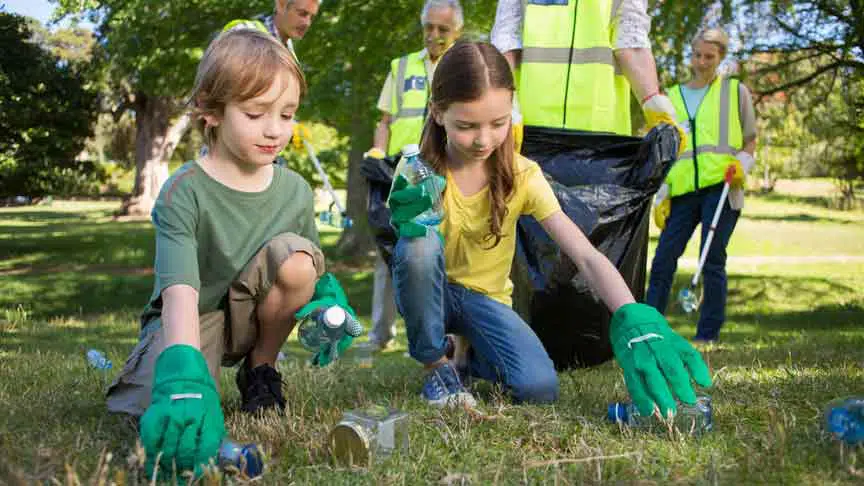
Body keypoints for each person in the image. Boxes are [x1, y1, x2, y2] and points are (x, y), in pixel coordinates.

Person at [388, 41, 711, 412]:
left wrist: (631, 312)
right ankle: (436, 365)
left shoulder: (522, 175)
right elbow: (412, 260)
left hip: (485, 300)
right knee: (418, 245)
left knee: (538, 388)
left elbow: (586, 256)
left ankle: (467, 354)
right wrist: (409, 223)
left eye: (498, 123)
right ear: (438, 113)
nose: (483, 140)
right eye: (467, 126)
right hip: (433, 292)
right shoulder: (418, 172)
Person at [104, 29, 355, 478]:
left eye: (288, 113)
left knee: (296, 259)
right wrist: (184, 376)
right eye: (256, 113)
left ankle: (261, 371)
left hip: (253, 315)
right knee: (156, 407)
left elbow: (310, 265)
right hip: (193, 318)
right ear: (211, 109)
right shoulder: (185, 190)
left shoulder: (296, 191)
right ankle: (193, 375)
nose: (275, 129)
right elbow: (178, 292)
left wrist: (330, 304)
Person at [363, 0, 464, 351]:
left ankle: (440, 334)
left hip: (443, 168)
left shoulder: (463, 68)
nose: (434, 36)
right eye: (429, 28)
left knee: (439, 249)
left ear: (457, 32)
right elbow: (386, 119)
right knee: (389, 249)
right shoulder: (402, 65)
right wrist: (377, 152)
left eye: (443, 29)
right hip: (399, 170)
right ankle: (380, 335)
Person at [647, 28, 757, 343]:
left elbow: (750, 142)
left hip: (721, 188)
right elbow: (663, 150)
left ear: (721, 58)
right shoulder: (672, 97)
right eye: (698, 55)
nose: (703, 62)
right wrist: (662, 194)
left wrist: (742, 166)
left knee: (712, 260)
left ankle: (707, 335)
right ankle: (651, 330)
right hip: (681, 193)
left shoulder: (735, 93)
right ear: (691, 55)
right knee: (663, 259)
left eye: (710, 56)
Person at [490, 0, 681, 137]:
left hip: (601, 137)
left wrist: (653, 102)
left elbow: (631, 41)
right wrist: (503, 103)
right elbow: (505, 40)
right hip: (528, 129)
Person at [224, 0, 322, 58]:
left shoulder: (290, 53)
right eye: (302, 14)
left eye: (311, 17)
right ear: (281, 5)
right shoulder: (244, 33)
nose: (307, 23)